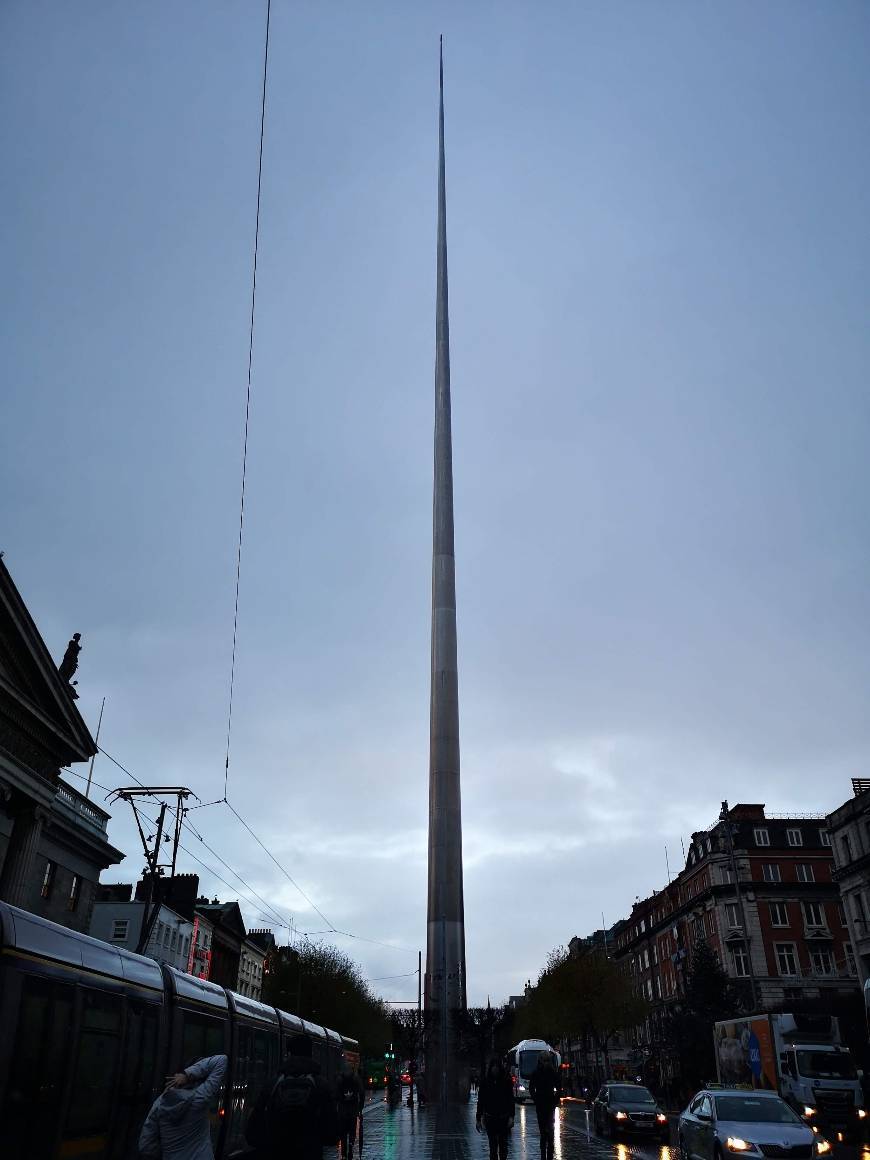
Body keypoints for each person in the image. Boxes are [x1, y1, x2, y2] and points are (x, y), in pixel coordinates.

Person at [245, 1036, 337, 1160]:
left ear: (289, 1054)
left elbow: (255, 1123)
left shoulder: (273, 1083)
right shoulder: (321, 1084)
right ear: (311, 1053)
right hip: (310, 1151)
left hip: (278, 1150)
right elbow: (332, 1128)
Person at [138, 1054, 228, 1160]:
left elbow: (145, 1146)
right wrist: (188, 1074)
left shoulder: (159, 1104)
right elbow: (222, 1060)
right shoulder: (200, 1099)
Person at [476, 1058, 515, 1160]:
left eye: (497, 1067)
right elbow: (481, 1100)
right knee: (493, 1147)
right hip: (490, 1117)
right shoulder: (486, 1082)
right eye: (493, 1067)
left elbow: (511, 1099)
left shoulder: (506, 1081)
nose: (495, 1069)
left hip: (503, 1117)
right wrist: (478, 1118)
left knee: (503, 1147)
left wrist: (511, 1116)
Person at [529, 1053, 561, 1160]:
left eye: (547, 1060)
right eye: (544, 1060)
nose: (545, 1062)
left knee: (550, 1133)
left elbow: (559, 1087)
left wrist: (555, 1099)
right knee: (543, 1133)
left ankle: (549, 1155)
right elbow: (531, 1088)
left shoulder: (552, 1073)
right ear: (540, 1061)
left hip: (549, 1104)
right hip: (541, 1105)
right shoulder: (536, 1073)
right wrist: (536, 1099)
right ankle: (544, 1155)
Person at [335, 1061, 364, 1160]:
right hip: (353, 1110)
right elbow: (362, 1093)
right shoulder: (356, 1078)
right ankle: (351, 1146)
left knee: (342, 1133)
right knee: (352, 1131)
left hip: (342, 1110)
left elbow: (335, 1095)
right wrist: (360, 1108)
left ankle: (343, 1154)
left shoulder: (339, 1079)